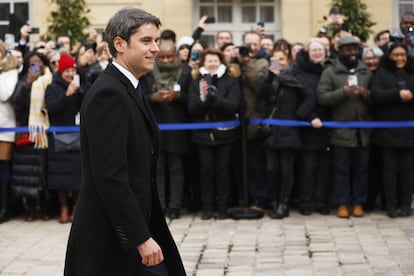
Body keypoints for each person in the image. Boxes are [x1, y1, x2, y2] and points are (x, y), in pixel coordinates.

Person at [64, 7, 186, 276]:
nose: (155, 48)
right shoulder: (109, 93)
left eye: (156, 40)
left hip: (131, 228)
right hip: (111, 237)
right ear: (119, 44)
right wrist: (140, 238)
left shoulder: (129, 87)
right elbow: (110, 176)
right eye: (146, 41)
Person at [317, 36, 372, 218]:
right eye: (348, 49)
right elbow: (322, 97)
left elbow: (377, 97)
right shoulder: (330, 72)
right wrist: (343, 93)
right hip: (341, 130)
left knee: (361, 168)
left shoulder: (366, 71)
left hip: (363, 130)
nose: (353, 52)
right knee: (341, 169)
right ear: (340, 51)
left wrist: (367, 94)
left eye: (355, 49)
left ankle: (358, 203)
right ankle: (342, 203)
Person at [188, 48, 241, 220]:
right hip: (202, 134)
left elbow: (233, 105)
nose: (212, 63)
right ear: (203, 63)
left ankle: (223, 208)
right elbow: (192, 108)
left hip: (226, 134)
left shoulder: (231, 80)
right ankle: (208, 208)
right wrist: (203, 99)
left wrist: (214, 98)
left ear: (221, 62)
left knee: (223, 171)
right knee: (206, 171)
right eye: (208, 60)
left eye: (215, 60)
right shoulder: (196, 80)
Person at [144, 40, 192, 219]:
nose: (164, 61)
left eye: (169, 57)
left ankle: (175, 206)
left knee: (176, 168)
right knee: (157, 169)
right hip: (156, 126)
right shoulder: (147, 71)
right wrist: (153, 98)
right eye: (161, 57)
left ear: (176, 55)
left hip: (178, 127)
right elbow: (140, 98)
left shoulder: (186, 72)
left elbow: (193, 101)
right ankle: (160, 206)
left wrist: (179, 96)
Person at [370, 42, 414, 218]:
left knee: (407, 170)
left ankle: (405, 205)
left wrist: (409, 96)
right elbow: (376, 95)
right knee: (389, 170)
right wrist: (398, 94)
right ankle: (390, 205)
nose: (400, 58)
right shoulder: (381, 73)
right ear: (389, 56)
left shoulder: (412, 72)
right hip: (387, 132)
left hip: (409, 132)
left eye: (402, 54)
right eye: (396, 54)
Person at [10, 51, 52, 221]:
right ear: (28, 66)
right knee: (28, 173)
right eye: (33, 63)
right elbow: (16, 103)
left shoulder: (50, 79)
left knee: (44, 171)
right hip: (27, 133)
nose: (37, 66)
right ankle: (31, 208)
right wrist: (28, 83)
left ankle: (46, 206)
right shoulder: (22, 81)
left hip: (46, 132)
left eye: (39, 62)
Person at [295, 39, 332, 216]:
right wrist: (311, 117)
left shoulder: (329, 71)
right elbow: (300, 99)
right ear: (307, 53)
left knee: (324, 168)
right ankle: (306, 202)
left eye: (320, 50)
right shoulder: (300, 72)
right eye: (314, 50)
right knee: (308, 167)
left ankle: (321, 201)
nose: (317, 53)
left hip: (328, 126)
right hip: (308, 125)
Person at [45, 54, 82, 223]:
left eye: (73, 70)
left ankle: (76, 208)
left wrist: (79, 92)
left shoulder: (80, 87)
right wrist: (66, 95)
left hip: (77, 137)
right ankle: (63, 208)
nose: (70, 73)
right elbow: (51, 108)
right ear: (61, 71)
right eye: (67, 70)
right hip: (58, 137)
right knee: (60, 176)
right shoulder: (52, 87)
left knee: (77, 175)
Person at [0, 44, 19, 223]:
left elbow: (5, 94)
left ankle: (5, 209)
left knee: (3, 168)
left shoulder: (10, 74)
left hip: (5, 128)